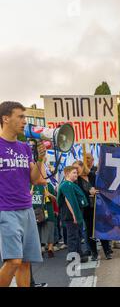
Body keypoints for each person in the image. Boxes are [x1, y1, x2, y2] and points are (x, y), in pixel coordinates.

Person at [0, 101, 47, 287]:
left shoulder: (25, 147)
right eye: (20, 117)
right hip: (6, 210)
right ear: (5, 118)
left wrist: (40, 159)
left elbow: (35, 179)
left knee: (25, 262)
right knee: (13, 261)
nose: (24, 121)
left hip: (27, 209)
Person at [73, 161, 112, 260]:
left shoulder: (92, 175)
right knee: (90, 232)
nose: (76, 171)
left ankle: (107, 251)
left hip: (98, 207)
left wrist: (96, 191)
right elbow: (79, 194)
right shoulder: (76, 181)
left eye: (77, 168)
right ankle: (94, 253)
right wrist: (89, 193)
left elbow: (101, 187)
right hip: (87, 209)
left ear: (82, 166)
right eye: (74, 169)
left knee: (102, 229)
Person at [57, 166, 89, 263]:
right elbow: (70, 201)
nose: (76, 174)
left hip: (74, 214)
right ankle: (71, 257)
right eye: (74, 173)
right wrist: (75, 216)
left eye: (76, 173)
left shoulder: (71, 184)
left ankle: (79, 254)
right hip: (70, 215)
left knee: (78, 235)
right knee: (73, 237)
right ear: (67, 174)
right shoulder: (66, 185)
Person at [31, 181, 58, 258]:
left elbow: (55, 199)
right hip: (35, 211)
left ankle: (49, 248)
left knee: (49, 228)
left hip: (47, 210)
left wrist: (50, 195)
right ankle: (41, 249)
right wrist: (28, 194)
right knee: (37, 231)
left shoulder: (48, 185)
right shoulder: (29, 185)